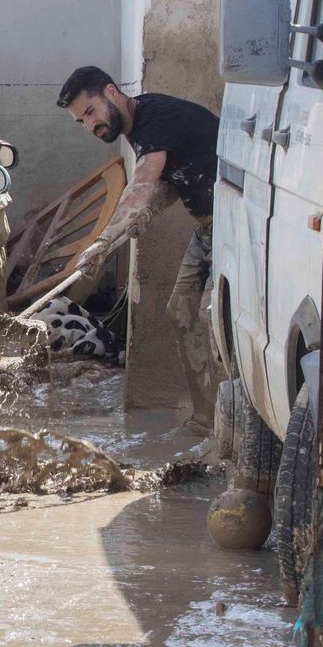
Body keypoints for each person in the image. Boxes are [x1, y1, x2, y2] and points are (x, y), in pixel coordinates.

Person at [55, 64, 221, 422]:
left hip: (232, 228)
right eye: (81, 121)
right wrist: (147, 212)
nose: (90, 125)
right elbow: (174, 180)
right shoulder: (137, 126)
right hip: (208, 228)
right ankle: (204, 418)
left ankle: (232, 417)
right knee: (180, 313)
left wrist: (104, 239)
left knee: (212, 317)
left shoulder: (154, 117)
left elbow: (144, 182)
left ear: (112, 93)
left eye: (90, 112)